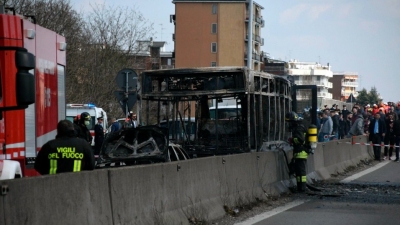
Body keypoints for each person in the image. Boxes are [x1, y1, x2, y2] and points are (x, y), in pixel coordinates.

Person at [285, 111, 310, 193]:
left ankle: (302, 188)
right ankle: (300, 187)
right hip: (300, 152)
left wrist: (292, 140)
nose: (289, 124)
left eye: (290, 122)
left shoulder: (298, 127)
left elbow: (300, 139)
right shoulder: (302, 125)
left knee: (301, 172)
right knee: (299, 171)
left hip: (301, 151)